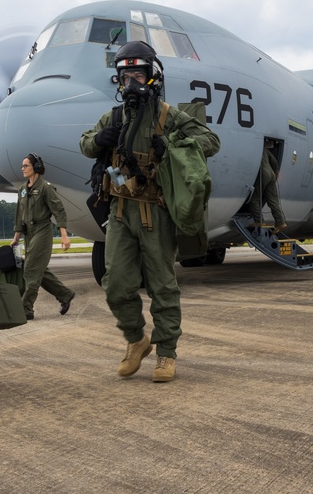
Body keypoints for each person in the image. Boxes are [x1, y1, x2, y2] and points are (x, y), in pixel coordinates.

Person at [80, 41, 219, 382]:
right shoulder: (112, 118)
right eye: (125, 76)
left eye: (137, 75)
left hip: (154, 212)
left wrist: (171, 144)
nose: (131, 83)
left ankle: (166, 354)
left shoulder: (169, 117)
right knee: (115, 285)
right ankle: (135, 340)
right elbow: (85, 143)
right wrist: (101, 140)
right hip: (119, 211)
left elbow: (211, 141)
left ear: (153, 77)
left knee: (162, 286)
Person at [10, 152, 75, 320]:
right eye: (22, 166)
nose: (22, 169)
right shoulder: (23, 190)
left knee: (30, 270)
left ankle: (26, 310)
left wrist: (64, 234)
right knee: (39, 270)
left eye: (26, 166)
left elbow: (58, 209)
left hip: (42, 231)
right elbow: (19, 214)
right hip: (28, 233)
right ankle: (65, 294)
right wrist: (16, 236)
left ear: (36, 168)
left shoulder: (45, 188)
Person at [245, 139, 286, 233]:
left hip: (263, 174)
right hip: (271, 174)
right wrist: (276, 172)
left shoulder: (252, 147)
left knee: (254, 199)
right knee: (273, 200)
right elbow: (274, 161)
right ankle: (281, 222)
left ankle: (259, 221)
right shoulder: (264, 149)